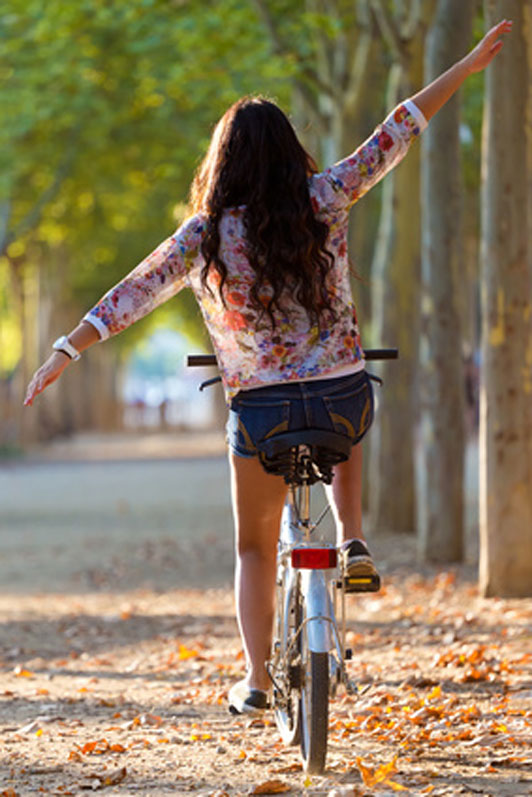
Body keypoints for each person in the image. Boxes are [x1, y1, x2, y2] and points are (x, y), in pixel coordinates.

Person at [25, 19, 512, 714]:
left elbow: (133, 292)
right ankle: (353, 536)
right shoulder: (326, 198)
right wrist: (463, 66)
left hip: (260, 413)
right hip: (341, 399)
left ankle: (255, 681)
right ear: (291, 153)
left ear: (222, 163)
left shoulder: (203, 236)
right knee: (349, 398)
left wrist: (67, 348)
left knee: (255, 549)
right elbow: (396, 130)